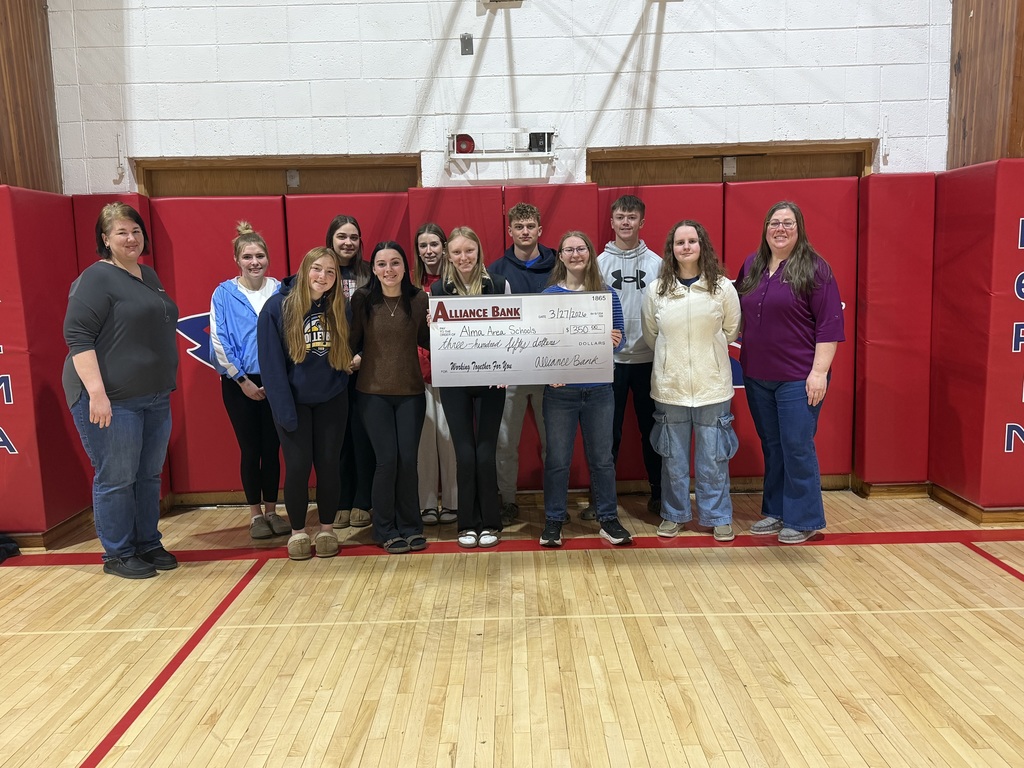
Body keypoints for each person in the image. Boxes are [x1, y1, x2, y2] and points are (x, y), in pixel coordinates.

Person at [63, 202, 179, 579]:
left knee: (148, 476)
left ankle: (147, 542)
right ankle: (117, 553)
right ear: (105, 239)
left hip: (155, 397)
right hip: (111, 401)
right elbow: (78, 338)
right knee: (116, 476)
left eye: (135, 231)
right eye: (121, 233)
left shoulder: (147, 274)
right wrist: (96, 393)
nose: (131, 238)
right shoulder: (95, 278)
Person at [735, 201, 845, 544]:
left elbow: (829, 326)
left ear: (799, 230)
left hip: (799, 376)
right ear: (765, 228)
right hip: (756, 374)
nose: (780, 229)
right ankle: (777, 510)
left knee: (796, 445)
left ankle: (805, 518)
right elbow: (735, 309)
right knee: (773, 445)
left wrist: (818, 373)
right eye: (774, 223)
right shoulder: (752, 265)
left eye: (788, 223)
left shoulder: (816, 269)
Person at [641, 220, 741, 542]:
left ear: (702, 246)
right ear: (671, 249)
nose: (686, 247)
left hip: (713, 387)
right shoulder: (656, 291)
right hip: (670, 389)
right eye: (679, 242)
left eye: (692, 241)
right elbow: (651, 335)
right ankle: (674, 514)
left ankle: (718, 515)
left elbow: (730, 331)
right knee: (673, 459)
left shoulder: (722, 288)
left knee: (713, 458)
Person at [258, 247, 352, 560]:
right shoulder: (277, 307)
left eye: (330, 272)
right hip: (293, 403)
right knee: (297, 468)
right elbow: (271, 368)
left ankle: (326, 529)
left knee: (329, 467)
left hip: (331, 401)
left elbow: (347, 354)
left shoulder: (340, 306)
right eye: (317, 269)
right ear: (304, 269)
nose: (322, 277)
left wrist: (340, 387)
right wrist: (284, 411)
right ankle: (298, 532)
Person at [539, 231, 631, 548]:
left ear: (590, 254)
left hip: (599, 391)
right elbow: (540, 345)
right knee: (557, 460)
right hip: (560, 394)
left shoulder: (606, 294)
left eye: (581, 249)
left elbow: (622, 341)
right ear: (560, 256)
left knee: (602, 460)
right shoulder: (548, 297)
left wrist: (615, 342)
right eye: (569, 249)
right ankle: (553, 520)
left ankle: (608, 518)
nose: (576, 254)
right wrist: (549, 371)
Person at [430, 227, 509, 549]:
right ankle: (467, 524)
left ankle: (490, 521)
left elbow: (511, 329)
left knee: (485, 452)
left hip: (492, 379)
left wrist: (507, 367)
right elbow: (436, 340)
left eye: (470, 251)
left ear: (479, 252)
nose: (464, 258)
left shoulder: (498, 284)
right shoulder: (438, 289)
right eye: (458, 252)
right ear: (449, 255)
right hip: (454, 381)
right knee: (464, 453)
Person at [349, 241, 431, 554]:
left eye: (395, 263)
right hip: (372, 394)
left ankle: (411, 526)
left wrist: (437, 328)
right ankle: (383, 528)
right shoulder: (362, 299)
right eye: (381, 264)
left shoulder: (419, 298)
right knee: (387, 461)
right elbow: (353, 341)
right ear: (373, 269)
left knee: (408, 460)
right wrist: (350, 359)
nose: (388, 270)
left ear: (404, 266)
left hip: (411, 392)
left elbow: (427, 341)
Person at [209, 221, 287, 541]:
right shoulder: (224, 293)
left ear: (268, 258)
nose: (254, 262)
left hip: (276, 381)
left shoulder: (281, 290)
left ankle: (272, 511)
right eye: (247, 256)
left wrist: (278, 378)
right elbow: (219, 339)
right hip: (239, 384)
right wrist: (242, 380)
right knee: (250, 448)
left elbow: (290, 335)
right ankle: (255, 515)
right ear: (237, 260)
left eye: (260, 256)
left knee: (273, 449)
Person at [486, 202, 557, 524]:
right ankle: (508, 500)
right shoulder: (496, 269)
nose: (525, 232)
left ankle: (554, 502)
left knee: (553, 443)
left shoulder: (560, 264)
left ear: (540, 230)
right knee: (506, 444)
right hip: (511, 371)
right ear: (510, 231)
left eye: (530, 226)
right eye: (519, 227)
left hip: (550, 371)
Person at [597, 194, 664, 515]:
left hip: (648, 361)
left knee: (652, 432)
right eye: (620, 217)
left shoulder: (657, 264)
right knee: (607, 434)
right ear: (611, 222)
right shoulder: (597, 264)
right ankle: (603, 500)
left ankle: (659, 493)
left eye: (632, 217)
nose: (626, 222)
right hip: (609, 365)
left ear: (642, 222)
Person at [325, 214, 374, 530]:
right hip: (328, 368)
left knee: (363, 435)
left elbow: (382, 321)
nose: (348, 242)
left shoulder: (371, 272)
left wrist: (361, 356)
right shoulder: (319, 271)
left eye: (353, 237)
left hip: (366, 367)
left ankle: (363, 500)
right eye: (342, 236)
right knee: (336, 437)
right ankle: (341, 500)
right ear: (330, 239)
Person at [412, 223, 458, 526]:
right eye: (423, 246)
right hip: (420, 370)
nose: (429, 251)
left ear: (444, 246)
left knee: (452, 439)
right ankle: (426, 503)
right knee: (425, 441)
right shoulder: (410, 283)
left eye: (434, 245)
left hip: (454, 369)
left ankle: (454, 502)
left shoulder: (457, 281)